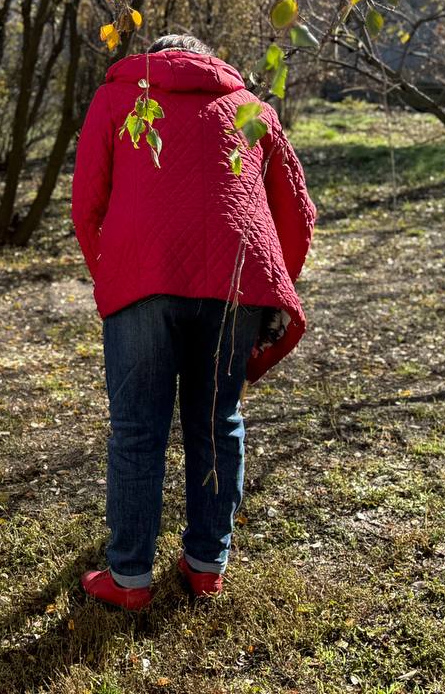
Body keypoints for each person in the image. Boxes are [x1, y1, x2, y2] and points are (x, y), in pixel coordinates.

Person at [71, 34, 316, 610]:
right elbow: (298, 214)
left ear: (152, 57)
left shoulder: (118, 100)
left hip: (140, 276)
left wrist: (110, 275)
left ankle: (129, 577)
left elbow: (86, 204)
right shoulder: (253, 110)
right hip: (235, 281)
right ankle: (207, 565)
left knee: (137, 429)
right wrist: (271, 286)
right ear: (211, 62)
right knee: (216, 420)